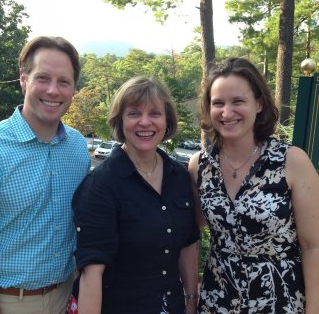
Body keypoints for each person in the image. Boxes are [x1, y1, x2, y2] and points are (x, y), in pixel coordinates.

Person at [0, 36, 91, 314]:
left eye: (64, 81)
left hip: (65, 297)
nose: (53, 90)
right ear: (23, 79)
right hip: (5, 302)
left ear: (73, 88)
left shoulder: (77, 148)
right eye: (42, 78)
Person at [189, 57, 319, 313]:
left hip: (280, 302)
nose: (227, 112)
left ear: (259, 103)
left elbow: (313, 246)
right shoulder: (200, 166)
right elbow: (190, 236)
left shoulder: (291, 161)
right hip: (217, 302)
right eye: (218, 103)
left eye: (238, 101)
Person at [72, 75, 200, 314]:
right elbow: (91, 274)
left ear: (166, 120)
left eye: (154, 113)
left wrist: (191, 300)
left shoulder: (179, 177)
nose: (145, 122)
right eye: (133, 114)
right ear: (120, 121)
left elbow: (188, 244)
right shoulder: (100, 185)